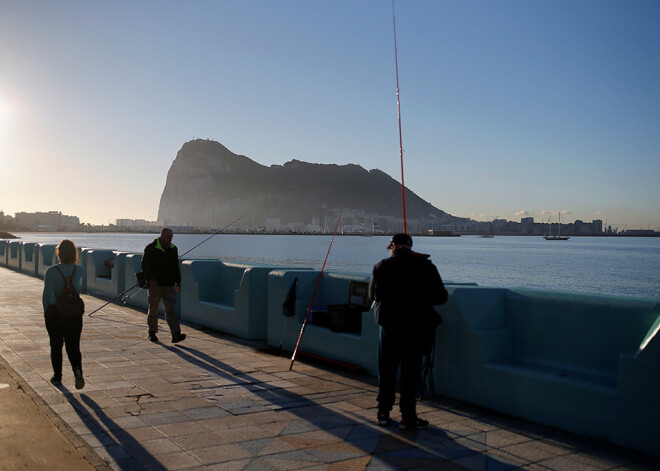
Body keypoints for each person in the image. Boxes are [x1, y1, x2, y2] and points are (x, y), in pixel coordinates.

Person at [369, 233, 448, 430]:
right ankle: (408, 416)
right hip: (416, 328)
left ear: (394, 246)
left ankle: (383, 413)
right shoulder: (427, 266)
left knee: (386, 371)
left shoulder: (382, 266)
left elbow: (373, 294)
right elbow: (441, 297)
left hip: (389, 327)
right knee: (411, 372)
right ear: (410, 246)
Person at [42, 239, 85, 389]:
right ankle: (77, 371)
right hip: (74, 313)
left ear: (58, 253)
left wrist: (46, 312)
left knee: (56, 345)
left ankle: (57, 376)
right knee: (74, 346)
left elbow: (47, 295)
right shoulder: (78, 270)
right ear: (74, 253)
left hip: (56, 313)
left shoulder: (51, 271)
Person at [141, 228, 186, 343]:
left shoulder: (173, 249)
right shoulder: (151, 248)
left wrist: (178, 281)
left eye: (172, 237)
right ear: (162, 236)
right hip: (155, 285)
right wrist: (150, 279)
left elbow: (176, 267)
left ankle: (176, 334)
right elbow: (145, 265)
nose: (170, 239)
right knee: (153, 309)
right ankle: (152, 332)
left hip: (169, 285)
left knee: (171, 309)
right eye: (168, 237)